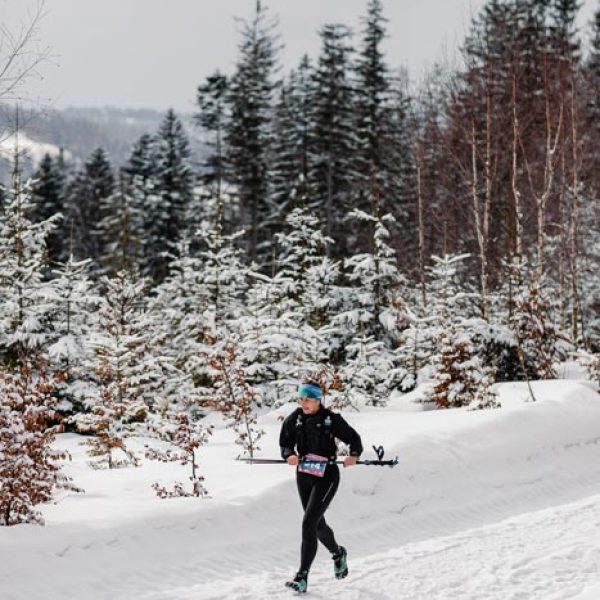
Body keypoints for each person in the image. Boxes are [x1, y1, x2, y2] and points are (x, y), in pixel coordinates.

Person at [279, 379, 363, 593]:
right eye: (300, 398)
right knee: (316, 525)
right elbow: (285, 444)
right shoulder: (295, 419)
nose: (303, 403)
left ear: (318, 400)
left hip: (327, 476)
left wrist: (354, 455)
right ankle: (338, 553)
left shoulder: (331, 420)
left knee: (308, 523)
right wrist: (289, 455)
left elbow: (354, 439)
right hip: (304, 475)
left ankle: (302, 576)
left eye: (308, 399)